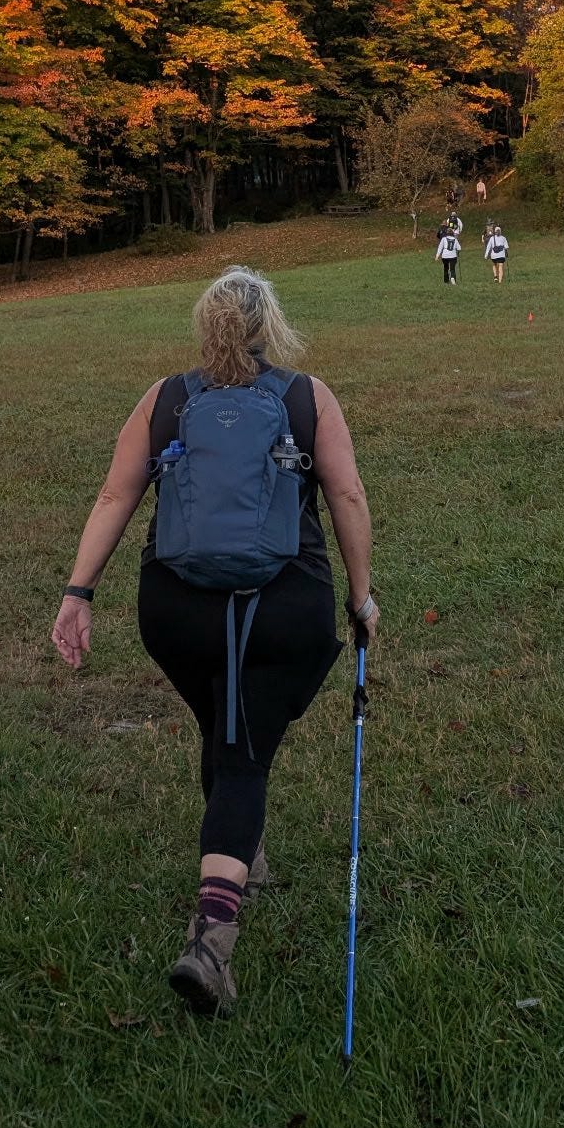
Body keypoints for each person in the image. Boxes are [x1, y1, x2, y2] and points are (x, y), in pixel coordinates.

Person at [50, 266, 381, 1015]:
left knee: (223, 721)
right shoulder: (306, 396)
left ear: (206, 327)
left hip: (175, 609)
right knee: (243, 756)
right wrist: (361, 598)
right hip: (285, 605)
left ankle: (243, 853)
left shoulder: (164, 399)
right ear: (271, 327)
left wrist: (78, 592)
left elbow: (114, 495)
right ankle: (212, 943)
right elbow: (348, 494)